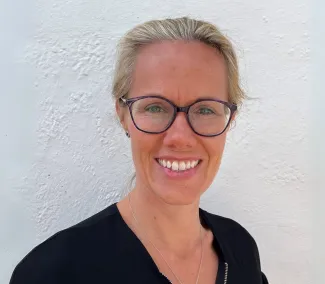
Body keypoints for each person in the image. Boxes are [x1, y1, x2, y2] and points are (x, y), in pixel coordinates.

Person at [10, 17, 268, 284]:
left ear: (230, 119)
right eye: (155, 107)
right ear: (123, 114)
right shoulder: (53, 272)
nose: (180, 137)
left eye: (205, 109)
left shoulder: (241, 250)